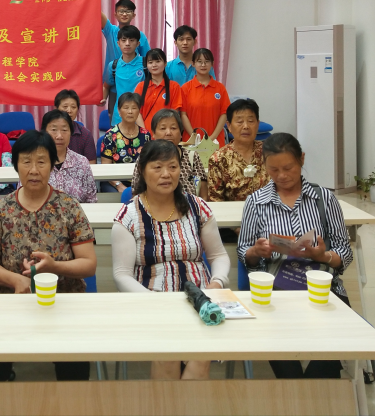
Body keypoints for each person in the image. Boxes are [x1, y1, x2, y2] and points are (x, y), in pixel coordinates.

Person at [0, 130, 97, 382]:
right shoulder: (1, 210)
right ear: (15, 165)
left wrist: (55, 267)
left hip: (62, 300)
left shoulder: (69, 206)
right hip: (11, 302)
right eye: (26, 162)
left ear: (52, 164)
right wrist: (16, 280)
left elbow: (89, 264)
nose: (34, 170)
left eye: (41, 162)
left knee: (74, 374)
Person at [238, 133, 353, 379]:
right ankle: (295, 389)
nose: (281, 175)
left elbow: (344, 251)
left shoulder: (324, 199)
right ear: (264, 166)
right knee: (285, 363)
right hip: (275, 293)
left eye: (288, 168)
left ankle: (313, 388)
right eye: (273, 169)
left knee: (325, 361)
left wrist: (323, 256)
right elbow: (243, 251)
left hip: (322, 290)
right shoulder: (256, 202)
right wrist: (255, 252)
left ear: (301, 159)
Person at [112, 140, 229, 380]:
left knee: (201, 356)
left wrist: (217, 282)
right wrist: (154, 301)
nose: (166, 174)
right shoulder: (129, 215)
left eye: (173, 167)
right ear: (143, 171)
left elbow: (218, 256)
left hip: (201, 298)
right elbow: (121, 274)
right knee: (167, 355)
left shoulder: (198, 207)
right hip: (152, 302)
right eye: (157, 167)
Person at [131, 109, 208, 200]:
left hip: (189, 207)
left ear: (181, 133)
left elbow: (204, 195)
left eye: (173, 128)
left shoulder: (192, 156)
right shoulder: (146, 157)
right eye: (163, 128)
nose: (168, 133)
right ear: (153, 133)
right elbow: (137, 192)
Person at [207, 99, 270, 202]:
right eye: (240, 122)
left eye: (251, 121)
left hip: (268, 211)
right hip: (233, 212)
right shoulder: (218, 159)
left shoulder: (269, 153)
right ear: (229, 126)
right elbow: (215, 200)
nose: (246, 126)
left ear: (257, 124)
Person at [100, 0, 151, 117]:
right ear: (115, 14)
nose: (124, 14)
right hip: (114, 87)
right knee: (116, 120)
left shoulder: (140, 36)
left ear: (133, 15)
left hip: (136, 87)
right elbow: (97, 12)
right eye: (121, 11)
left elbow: (148, 60)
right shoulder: (111, 31)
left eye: (128, 11)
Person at [41, 109, 97, 203]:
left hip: (78, 212)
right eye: (54, 130)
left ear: (71, 133)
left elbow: (91, 199)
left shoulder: (82, 162)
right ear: (44, 133)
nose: (59, 136)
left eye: (64, 130)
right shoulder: (34, 162)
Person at [100, 92, 151, 192]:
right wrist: (119, 185)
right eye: (126, 108)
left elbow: (149, 164)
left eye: (134, 108)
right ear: (119, 111)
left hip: (140, 181)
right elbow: (106, 167)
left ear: (139, 111)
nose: (130, 112)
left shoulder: (145, 135)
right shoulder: (111, 135)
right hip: (115, 180)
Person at [181, 48, 230, 147]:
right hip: (191, 141)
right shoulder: (185, 88)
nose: (203, 65)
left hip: (215, 141)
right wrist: (194, 136)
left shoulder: (220, 88)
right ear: (193, 64)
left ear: (212, 64)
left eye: (207, 61)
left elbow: (224, 113)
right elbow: (183, 114)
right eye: (199, 61)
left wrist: (212, 138)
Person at [134, 48, 185, 135]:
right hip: (146, 134)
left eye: (158, 61)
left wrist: (165, 132)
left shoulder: (174, 87)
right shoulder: (140, 87)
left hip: (166, 135)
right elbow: (137, 112)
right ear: (146, 65)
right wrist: (145, 133)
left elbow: (174, 113)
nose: (154, 65)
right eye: (150, 62)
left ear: (165, 63)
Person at [102, 25, 145, 126]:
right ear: (118, 43)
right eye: (124, 40)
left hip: (141, 116)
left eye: (131, 40)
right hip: (119, 117)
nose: (127, 43)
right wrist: (102, 99)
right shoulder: (113, 65)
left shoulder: (145, 64)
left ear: (138, 43)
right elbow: (106, 86)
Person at [54, 89, 97, 164]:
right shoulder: (48, 133)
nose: (69, 110)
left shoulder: (85, 135)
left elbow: (91, 164)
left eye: (73, 107)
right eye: (65, 107)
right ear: (56, 108)